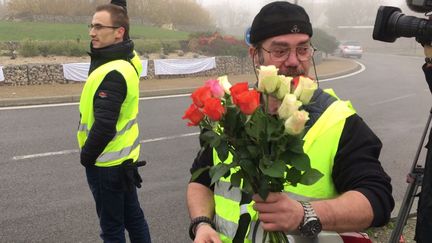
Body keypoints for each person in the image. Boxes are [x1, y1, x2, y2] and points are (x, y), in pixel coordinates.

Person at [186, 1, 394, 242]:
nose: (294, 61)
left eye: (303, 49)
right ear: (255, 56)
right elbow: (200, 181)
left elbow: (377, 199)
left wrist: (305, 214)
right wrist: (201, 223)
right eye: (280, 51)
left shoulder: (337, 121)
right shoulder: (229, 117)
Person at [76, 1, 151, 242]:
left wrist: (87, 157)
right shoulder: (129, 59)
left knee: (111, 229)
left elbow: (104, 125)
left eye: (99, 27)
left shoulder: (113, 73)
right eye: (91, 25)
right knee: (134, 218)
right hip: (123, 161)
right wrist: (119, 6)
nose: (91, 32)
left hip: (106, 165)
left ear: (119, 32)